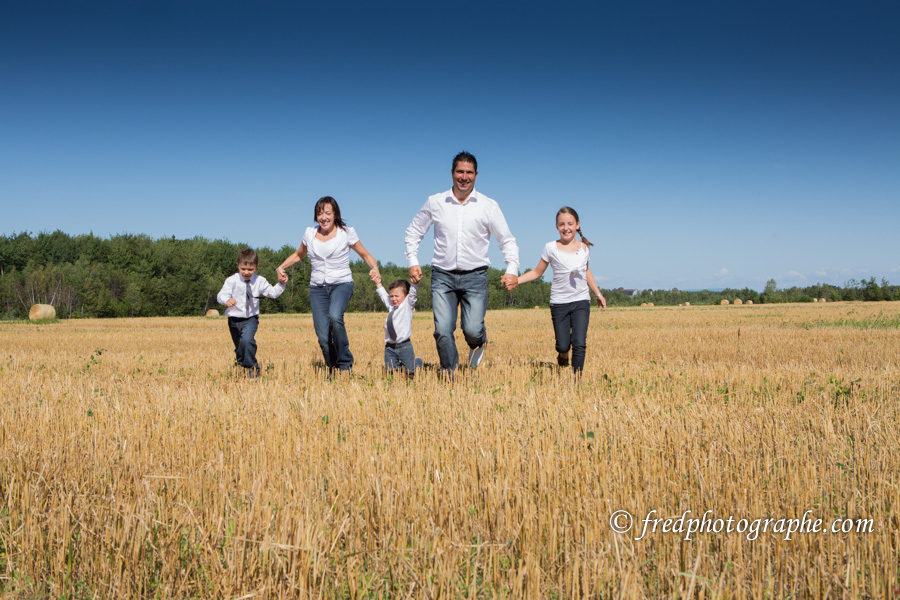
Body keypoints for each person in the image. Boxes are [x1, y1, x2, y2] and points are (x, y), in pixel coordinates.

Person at [405, 151, 519, 374]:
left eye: (469, 172)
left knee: (473, 330)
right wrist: (412, 260)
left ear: (476, 175)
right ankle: (450, 371)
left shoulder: (488, 205)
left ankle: (477, 343)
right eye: (460, 171)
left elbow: (507, 240)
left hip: (475, 276)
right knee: (443, 330)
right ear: (452, 173)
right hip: (442, 276)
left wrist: (512, 268)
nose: (464, 177)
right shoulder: (435, 202)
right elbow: (413, 231)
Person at [276, 196, 379, 373]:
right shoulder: (309, 233)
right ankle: (332, 367)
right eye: (319, 213)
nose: (324, 217)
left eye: (327, 213)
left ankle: (345, 364)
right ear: (316, 216)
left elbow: (365, 255)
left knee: (335, 317)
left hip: (341, 283)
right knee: (323, 336)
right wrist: (281, 266)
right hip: (317, 288)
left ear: (335, 215)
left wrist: (374, 267)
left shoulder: (346, 232)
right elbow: (299, 254)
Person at [512, 207, 606, 373]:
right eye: (562, 224)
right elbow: (537, 272)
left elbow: (586, 271)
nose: (566, 227)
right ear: (556, 227)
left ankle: (577, 380)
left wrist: (597, 293)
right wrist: (516, 280)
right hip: (559, 302)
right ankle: (563, 355)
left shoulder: (585, 248)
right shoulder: (550, 248)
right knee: (562, 344)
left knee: (579, 343)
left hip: (581, 300)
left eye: (570, 224)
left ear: (577, 225)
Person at [217, 248, 288, 378]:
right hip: (233, 319)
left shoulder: (260, 281)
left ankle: (252, 368)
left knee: (247, 341)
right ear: (237, 265)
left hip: (251, 318)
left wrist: (281, 284)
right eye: (243, 269)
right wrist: (226, 300)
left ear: (256, 267)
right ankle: (241, 363)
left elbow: (272, 293)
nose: (246, 272)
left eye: (250, 269)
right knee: (239, 346)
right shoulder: (231, 281)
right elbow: (220, 295)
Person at [372, 273, 421, 376]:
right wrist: (378, 283)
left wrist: (415, 284)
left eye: (397, 296)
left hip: (404, 346)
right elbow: (383, 295)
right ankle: (397, 367)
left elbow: (412, 293)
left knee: (410, 372)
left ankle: (417, 363)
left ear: (406, 296)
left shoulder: (407, 305)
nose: (393, 298)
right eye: (391, 296)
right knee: (391, 373)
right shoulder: (391, 307)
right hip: (389, 348)